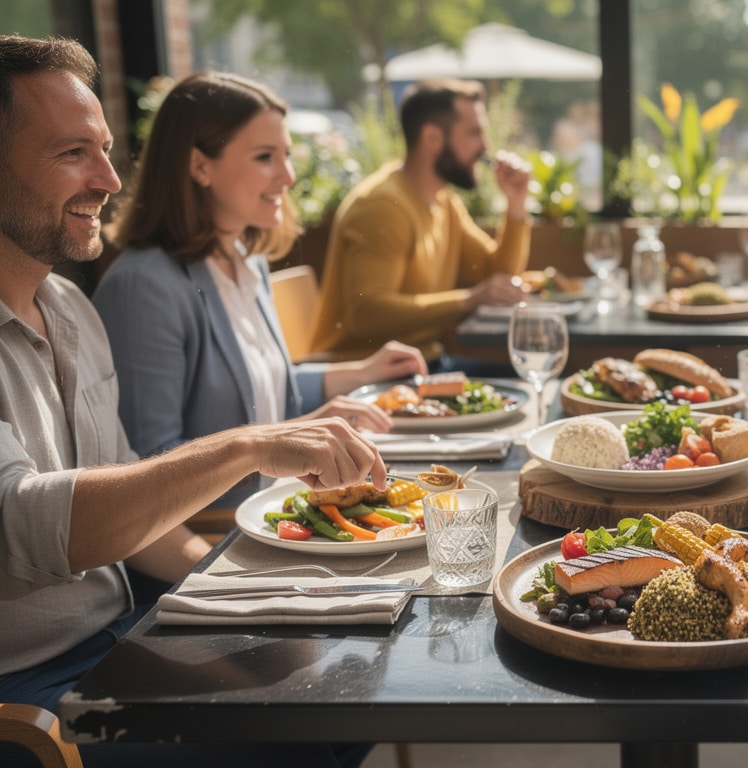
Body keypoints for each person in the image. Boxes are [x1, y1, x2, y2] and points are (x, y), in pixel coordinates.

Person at [0, 35, 381, 767]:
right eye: (72, 152)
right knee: (296, 740)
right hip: (33, 703)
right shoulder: (139, 283)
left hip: (124, 639)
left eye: (107, 150)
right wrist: (247, 444)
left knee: (351, 678)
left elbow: (132, 508)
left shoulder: (72, 311)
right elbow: (32, 522)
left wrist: (237, 588)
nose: (110, 178)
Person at [93, 72, 427, 509]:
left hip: (278, 511)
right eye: (265, 157)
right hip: (214, 543)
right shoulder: (144, 288)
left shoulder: (246, 260)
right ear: (199, 166)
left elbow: (259, 389)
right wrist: (289, 440)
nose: (288, 175)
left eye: (286, 154)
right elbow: (146, 473)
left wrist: (359, 373)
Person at [309, 77, 531, 375]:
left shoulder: (444, 202)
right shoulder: (382, 206)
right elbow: (367, 314)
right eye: (475, 133)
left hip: (423, 366)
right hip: (370, 378)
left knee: (530, 377)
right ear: (433, 138)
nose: (485, 147)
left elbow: (498, 276)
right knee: (530, 383)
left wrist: (516, 205)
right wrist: (468, 301)